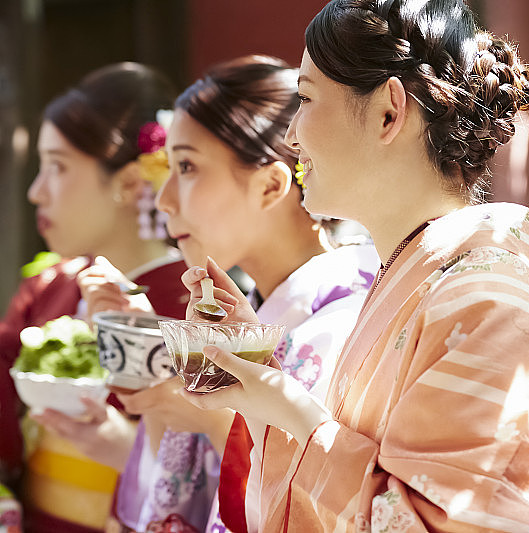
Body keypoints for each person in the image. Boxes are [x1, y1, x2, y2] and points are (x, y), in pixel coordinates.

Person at [180, 0, 529, 531]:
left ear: (389, 112)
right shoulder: (435, 286)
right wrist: (262, 386)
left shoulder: (492, 306)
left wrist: (287, 407)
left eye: (306, 98)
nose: (292, 136)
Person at [105, 55, 379, 532]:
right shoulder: (249, 313)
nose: (165, 199)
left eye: (187, 166)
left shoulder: (346, 325)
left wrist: (218, 424)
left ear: (272, 184)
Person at [0, 62, 188, 533]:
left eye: (57, 167)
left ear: (128, 183)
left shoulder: (193, 301)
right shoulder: (46, 287)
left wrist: (130, 445)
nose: (36, 192)